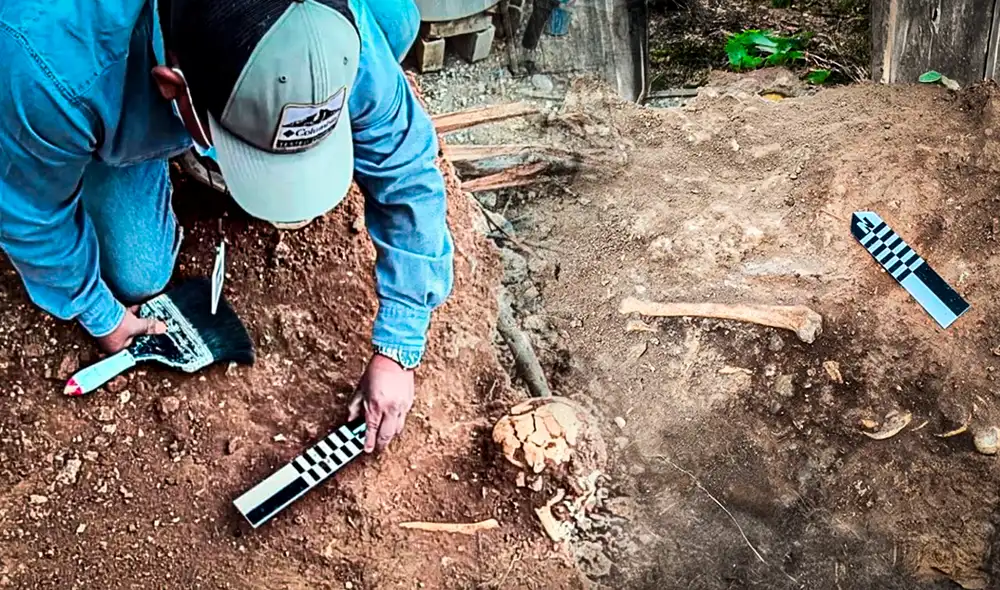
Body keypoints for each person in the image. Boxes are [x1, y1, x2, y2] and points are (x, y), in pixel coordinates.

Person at [0, 0, 454, 454]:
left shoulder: (327, 22)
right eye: (246, 147)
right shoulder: (46, 65)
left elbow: (405, 162)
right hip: (96, 65)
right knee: (138, 272)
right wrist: (102, 316)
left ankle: (230, 134)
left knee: (396, 20)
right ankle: (149, 141)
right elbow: (29, 213)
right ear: (171, 85)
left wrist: (399, 344)